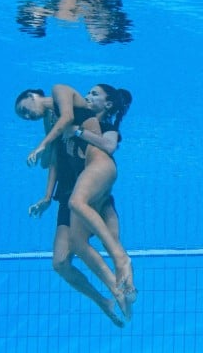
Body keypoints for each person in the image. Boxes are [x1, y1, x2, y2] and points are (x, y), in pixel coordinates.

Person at [16, 87, 125, 327]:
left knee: (111, 245)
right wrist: (46, 197)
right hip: (68, 196)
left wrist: (46, 143)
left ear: (33, 95)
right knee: (60, 263)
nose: (26, 116)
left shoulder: (82, 118)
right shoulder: (55, 122)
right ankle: (103, 300)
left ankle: (122, 288)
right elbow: (53, 162)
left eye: (25, 109)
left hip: (94, 194)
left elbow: (105, 147)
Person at [68, 84, 138, 318]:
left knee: (114, 242)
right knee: (78, 245)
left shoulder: (109, 128)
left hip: (102, 189)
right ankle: (121, 296)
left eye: (94, 94)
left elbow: (109, 146)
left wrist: (77, 131)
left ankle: (125, 272)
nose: (88, 96)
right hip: (91, 189)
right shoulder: (85, 124)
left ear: (108, 105)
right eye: (87, 93)